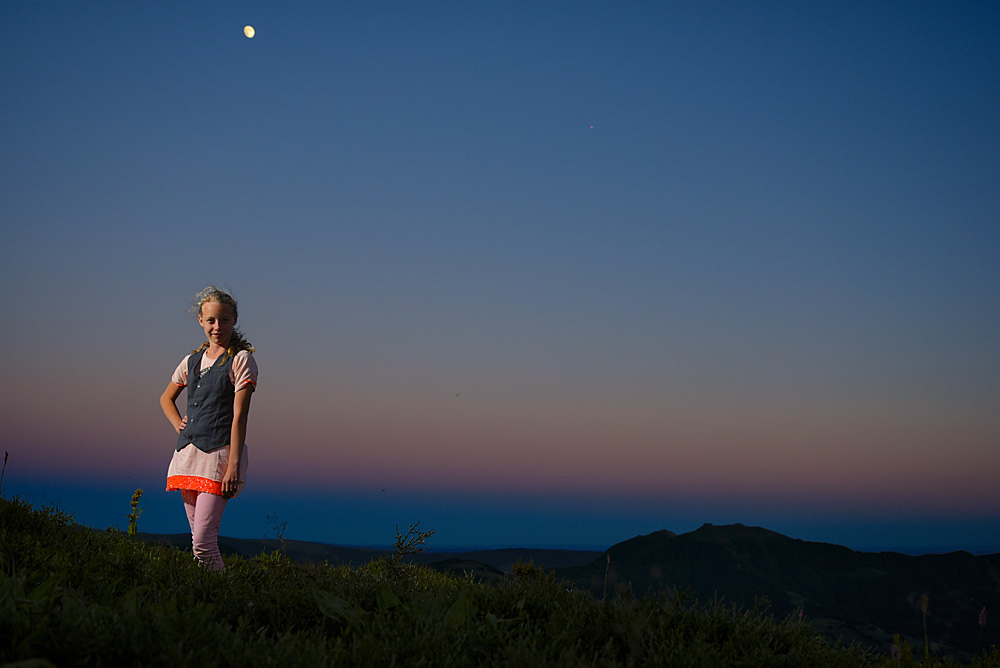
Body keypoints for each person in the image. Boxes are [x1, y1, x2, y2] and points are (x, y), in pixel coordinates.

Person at [159, 286, 257, 570]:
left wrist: (234, 464)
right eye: (211, 320)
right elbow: (166, 398)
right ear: (200, 321)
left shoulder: (241, 360)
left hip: (218, 457)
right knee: (197, 540)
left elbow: (240, 416)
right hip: (187, 456)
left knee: (203, 541)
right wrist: (179, 424)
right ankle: (209, 599)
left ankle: (222, 597)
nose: (217, 327)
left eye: (224, 320)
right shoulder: (190, 362)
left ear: (234, 320)